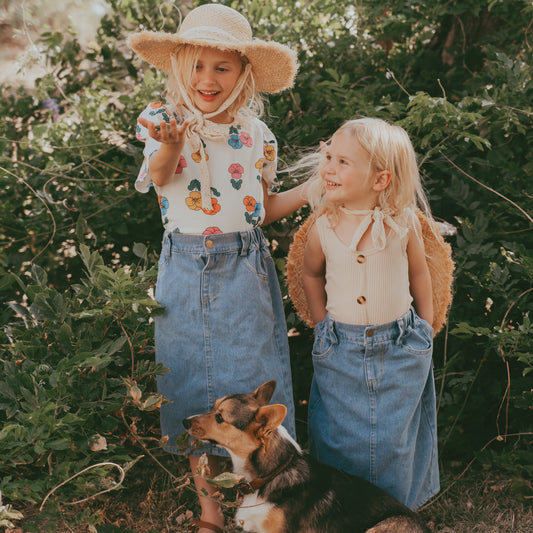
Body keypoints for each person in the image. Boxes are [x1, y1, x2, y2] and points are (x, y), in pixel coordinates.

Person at [128, 5, 305, 532]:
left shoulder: (257, 136)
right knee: (187, 387)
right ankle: (210, 513)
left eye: (221, 67)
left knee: (252, 388)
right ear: (181, 67)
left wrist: (313, 189)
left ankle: (264, 506)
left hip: (246, 264)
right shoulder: (165, 122)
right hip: (185, 265)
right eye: (198, 66)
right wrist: (173, 143)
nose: (207, 79)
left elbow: (263, 209)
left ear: (243, 74)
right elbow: (160, 179)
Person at [300, 118, 440, 510]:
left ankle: (393, 511)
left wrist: (425, 326)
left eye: (343, 161)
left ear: (380, 180)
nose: (328, 167)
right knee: (339, 434)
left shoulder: (402, 222)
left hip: (398, 343)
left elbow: (419, 273)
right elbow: (310, 273)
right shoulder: (323, 226)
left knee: (394, 435)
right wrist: (321, 323)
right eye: (329, 156)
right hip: (340, 344)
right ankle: (341, 510)